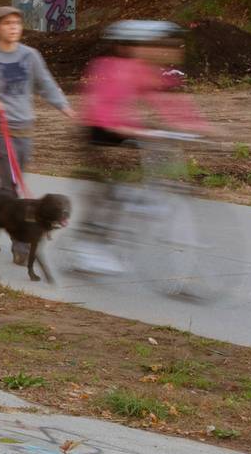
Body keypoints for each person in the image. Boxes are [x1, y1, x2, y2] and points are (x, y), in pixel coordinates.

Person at [72, 20, 207, 272]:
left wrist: (197, 126)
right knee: (108, 191)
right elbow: (101, 109)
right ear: (126, 47)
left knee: (146, 180)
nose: (154, 50)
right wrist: (131, 129)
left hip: (127, 131)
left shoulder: (144, 70)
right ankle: (89, 247)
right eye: (146, 45)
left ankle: (134, 215)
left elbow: (166, 102)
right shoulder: (106, 68)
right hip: (98, 132)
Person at [0, 5, 76, 262]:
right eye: (7, 23)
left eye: (17, 23)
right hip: (0, 130)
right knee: (11, 185)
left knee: (6, 183)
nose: (13, 27)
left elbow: (45, 83)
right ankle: (21, 243)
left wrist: (64, 106)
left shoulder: (30, 55)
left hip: (25, 129)